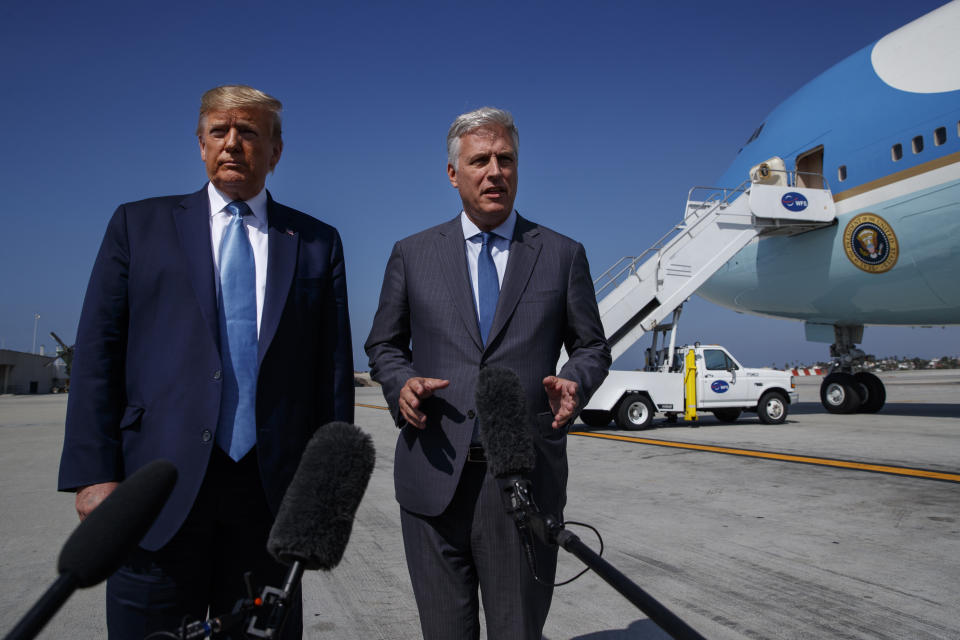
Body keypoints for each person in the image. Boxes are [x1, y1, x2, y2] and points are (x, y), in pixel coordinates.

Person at [57, 85, 354, 639]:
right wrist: (93, 474)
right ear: (200, 144)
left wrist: (325, 501)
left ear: (276, 150)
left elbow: (331, 377)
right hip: (154, 491)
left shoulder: (315, 242)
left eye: (250, 133)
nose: (234, 144)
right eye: (220, 131)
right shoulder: (137, 226)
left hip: (270, 498)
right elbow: (98, 353)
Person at [365, 106, 610, 638]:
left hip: (523, 481)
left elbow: (592, 345)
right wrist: (400, 382)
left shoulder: (562, 255)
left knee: (516, 630)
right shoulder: (411, 254)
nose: (494, 171)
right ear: (453, 174)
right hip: (433, 478)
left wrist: (577, 379)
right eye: (480, 160)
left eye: (506, 159)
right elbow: (384, 344)